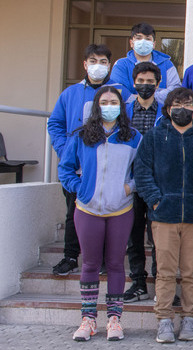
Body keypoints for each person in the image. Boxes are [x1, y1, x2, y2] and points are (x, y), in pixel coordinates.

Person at [134, 87, 193, 344]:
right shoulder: (154, 137)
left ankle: (190, 318)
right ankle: (165, 321)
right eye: (178, 104)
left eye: (189, 104)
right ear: (169, 108)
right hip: (164, 216)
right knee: (166, 271)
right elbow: (142, 172)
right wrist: (156, 201)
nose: (183, 109)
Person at [59, 86, 141, 342]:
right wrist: (80, 189)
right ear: (96, 105)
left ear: (121, 106)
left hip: (121, 209)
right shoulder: (82, 136)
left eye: (113, 101)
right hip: (87, 209)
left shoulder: (134, 137)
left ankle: (114, 320)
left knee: (116, 264)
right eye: (104, 101)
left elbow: (143, 169)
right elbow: (66, 169)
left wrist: (130, 187)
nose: (109, 105)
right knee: (91, 264)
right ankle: (88, 320)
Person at [48, 44, 128, 276]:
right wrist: (64, 151)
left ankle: (103, 259)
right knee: (74, 213)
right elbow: (55, 124)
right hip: (78, 169)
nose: (98, 66)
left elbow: (125, 126)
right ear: (84, 64)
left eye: (103, 62)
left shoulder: (118, 94)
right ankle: (71, 256)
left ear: (110, 65)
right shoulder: (70, 94)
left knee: (107, 213)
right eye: (93, 61)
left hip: (108, 168)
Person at [122, 62, 162, 305]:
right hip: (130, 180)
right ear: (134, 82)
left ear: (158, 84)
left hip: (158, 182)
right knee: (133, 235)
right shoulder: (123, 111)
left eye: (150, 82)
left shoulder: (166, 111)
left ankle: (161, 284)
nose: (145, 86)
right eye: (141, 81)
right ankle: (138, 282)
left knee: (158, 235)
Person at [111, 23, 181, 103]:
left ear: (153, 44)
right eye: (138, 38)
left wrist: (150, 98)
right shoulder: (121, 64)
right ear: (131, 43)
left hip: (160, 113)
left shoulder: (167, 64)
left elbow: (175, 89)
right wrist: (140, 100)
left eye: (148, 39)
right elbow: (118, 89)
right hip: (129, 113)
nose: (143, 41)